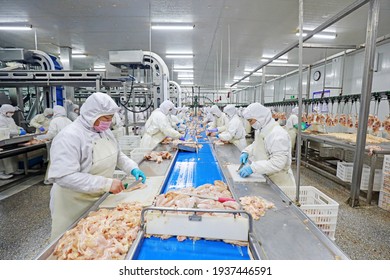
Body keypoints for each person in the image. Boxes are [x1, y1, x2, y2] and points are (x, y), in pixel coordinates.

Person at [47, 92, 146, 240]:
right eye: (106, 118)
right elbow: (64, 176)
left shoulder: (104, 131)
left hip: (97, 197)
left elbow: (118, 155)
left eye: (111, 118)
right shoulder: (69, 136)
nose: (109, 122)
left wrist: (132, 167)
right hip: (73, 202)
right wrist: (106, 183)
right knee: (71, 243)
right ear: (92, 114)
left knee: (94, 241)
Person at [238, 103, 296, 187]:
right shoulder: (261, 129)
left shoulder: (277, 134)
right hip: (266, 176)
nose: (250, 124)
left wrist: (253, 168)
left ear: (260, 117)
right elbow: (257, 144)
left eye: (251, 120)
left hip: (279, 183)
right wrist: (246, 152)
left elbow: (277, 163)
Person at [0, 104, 27, 179]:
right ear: (4, 111)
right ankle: (2, 172)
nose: (12, 113)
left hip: (10, 139)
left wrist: (20, 128)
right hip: (2, 140)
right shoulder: (1, 119)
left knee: (13, 155)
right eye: (10, 112)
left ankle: (13, 169)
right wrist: (18, 132)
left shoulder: (10, 118)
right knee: (4, 158)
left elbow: (14, 126)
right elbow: (4, 131)